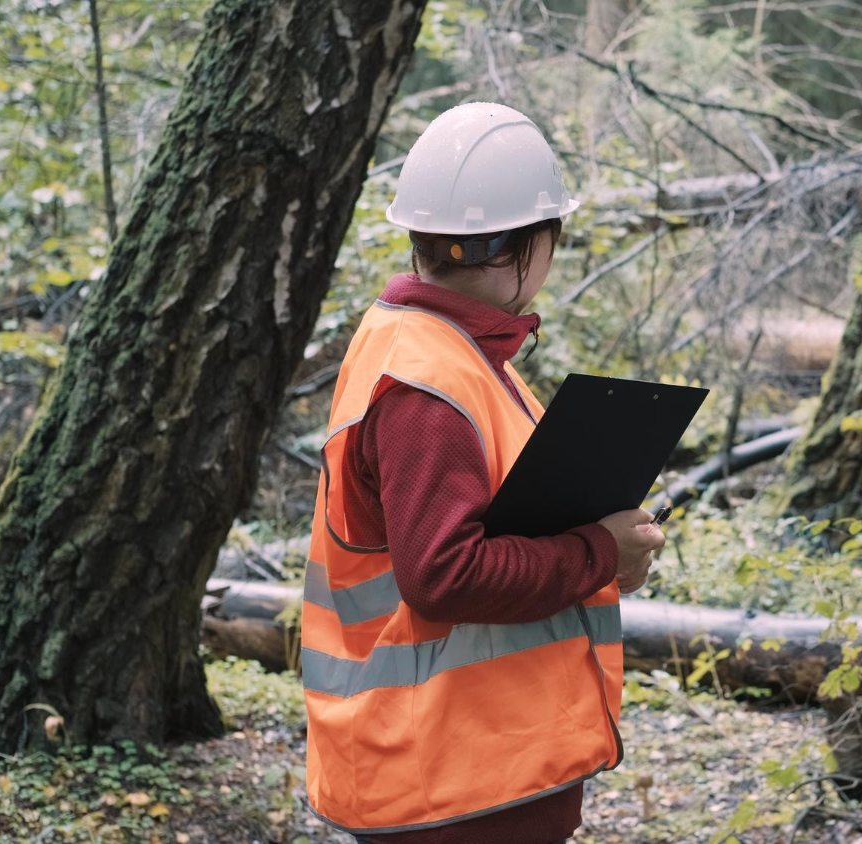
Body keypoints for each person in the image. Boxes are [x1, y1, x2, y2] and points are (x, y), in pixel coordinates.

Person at [299, 102, 666, 844]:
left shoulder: (451, 355)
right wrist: (598, 551)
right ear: (522, 247)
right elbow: (445, 576)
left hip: (472, 772)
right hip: (446, 787)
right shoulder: (427, 384)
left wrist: (605, 550)